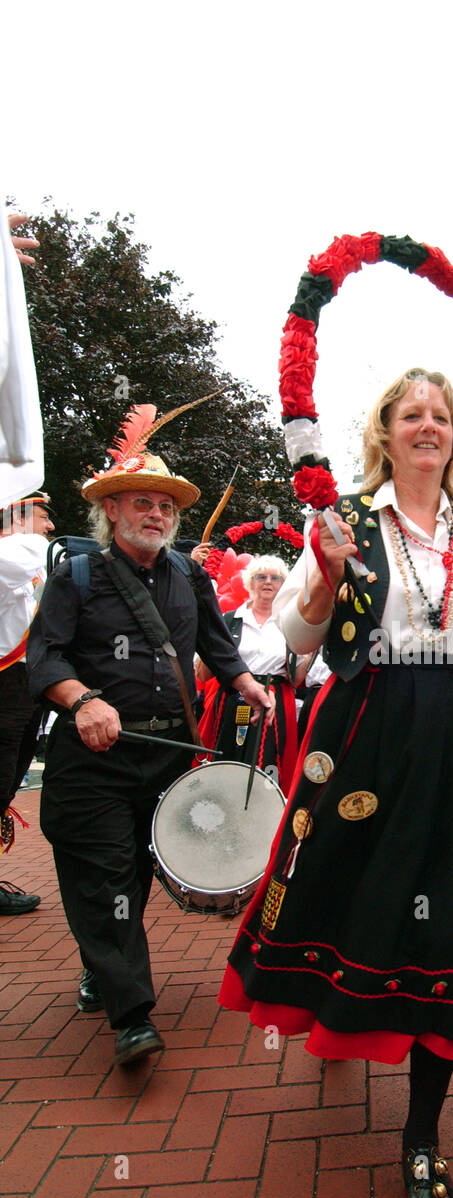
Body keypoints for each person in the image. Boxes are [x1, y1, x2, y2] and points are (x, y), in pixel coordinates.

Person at [219, 368, 453, 1198]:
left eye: (441, 416)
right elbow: (298, 641)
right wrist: (326, 575)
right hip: (365, 732)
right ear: (386, 431)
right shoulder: (347, 522)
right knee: (339, 890)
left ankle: (421, 1141)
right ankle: (331, 1006)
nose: (429, 427)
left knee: (447, 920)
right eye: (412, 414)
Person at [27, 405, 272, 1066]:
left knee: (133, 874)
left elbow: (220, 647)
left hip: (170, 758)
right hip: (95, 756)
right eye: (143, 503)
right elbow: (44, 658)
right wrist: (81, 700)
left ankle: (101, 964)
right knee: (105, 869)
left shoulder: (190, 576)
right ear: (113, 511)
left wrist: (246, 682)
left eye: (166, 506)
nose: (157, 515)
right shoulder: (75, 577)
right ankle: (131, 1015)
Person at [197, 553, 300, 794]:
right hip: (233, 699)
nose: (268, 582)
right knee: (227, 753)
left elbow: (298, 678)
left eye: (275, 578)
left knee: (269, 763)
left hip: (275, 704)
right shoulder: (227, 620)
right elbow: (202, 675)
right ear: (249, 582)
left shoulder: (290, 623)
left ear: (283, 586)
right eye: (260, 576)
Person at [0, 489, 53, 910]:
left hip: (21, 686)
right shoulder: (15, 554)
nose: (50, 526)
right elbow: (39, 552)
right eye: (42, 515)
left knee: (6, 783)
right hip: (5, 687)